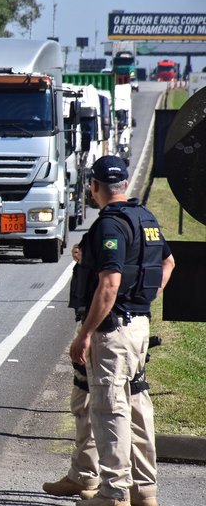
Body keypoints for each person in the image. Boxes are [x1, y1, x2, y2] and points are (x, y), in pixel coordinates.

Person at [65, 155, 175, 506]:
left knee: (110, 408)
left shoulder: (109, 224)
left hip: (115, 330)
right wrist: (145, 295)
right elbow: (167, 262)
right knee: (137, 405)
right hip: (139, 325)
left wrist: (85, 333)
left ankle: (113, 493)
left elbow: (110, 285)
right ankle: (143, 491)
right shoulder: (146, 218)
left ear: (94, 187)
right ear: (124, 185)